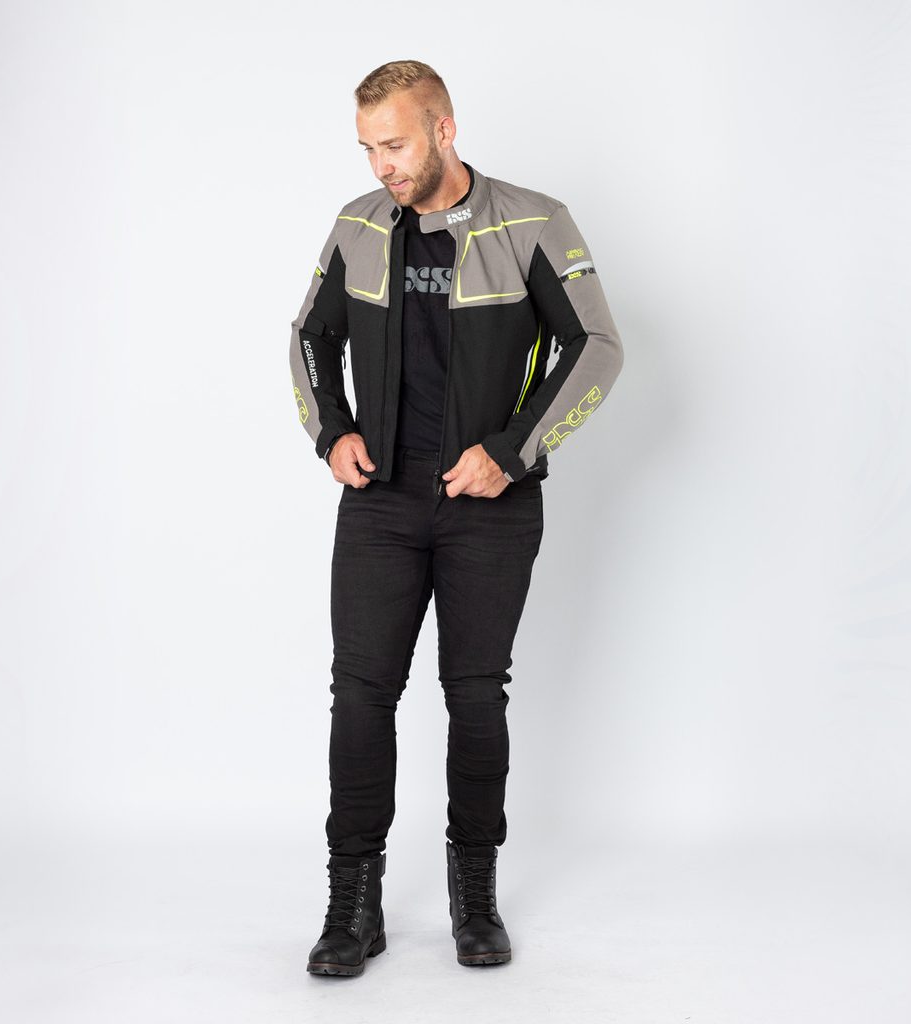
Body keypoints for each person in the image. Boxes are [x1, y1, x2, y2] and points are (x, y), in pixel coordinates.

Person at [290, 59, 624, 976]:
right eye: (368, 148)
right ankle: (352, 904)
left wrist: (510, 452)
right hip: (380, 504)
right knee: (361, 696)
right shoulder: (359, 225)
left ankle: (475, 894)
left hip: (491, 506)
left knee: (476, 697)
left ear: (443, 129)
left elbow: (597, 347)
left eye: (394, 145)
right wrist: (331, 433)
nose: (381, 166)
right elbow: (309, 336)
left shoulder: (532, 222)